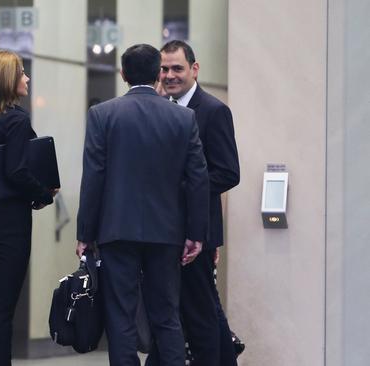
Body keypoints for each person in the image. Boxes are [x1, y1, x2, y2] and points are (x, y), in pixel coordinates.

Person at [76, 43, 209, 366]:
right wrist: (196, 233)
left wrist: (85, 233)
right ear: (157, 74)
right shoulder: (183, 118)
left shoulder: (102, 115)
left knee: (120, 316)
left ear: (123, 74)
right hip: (167, 233)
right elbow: (198, 179)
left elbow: (94, 177)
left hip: (116, 231)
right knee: (166, 315)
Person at [151, 40, 241, 366]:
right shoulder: (161, 108)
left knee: (198, 313)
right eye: (164, 69)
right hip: (166, 231)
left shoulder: (214, 111)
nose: (170, 75)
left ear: (195, 69)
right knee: (178, 311)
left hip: (198, 232)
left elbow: (229, 173)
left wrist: (183, 189)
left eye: (177, 68)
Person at [0, 50, 57, 366]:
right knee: (2, 310)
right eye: (22, 72)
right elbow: (18, 171)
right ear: (8, 80)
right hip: (11, 221)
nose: (27, 78)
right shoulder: (18, 119)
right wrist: (45, 194)